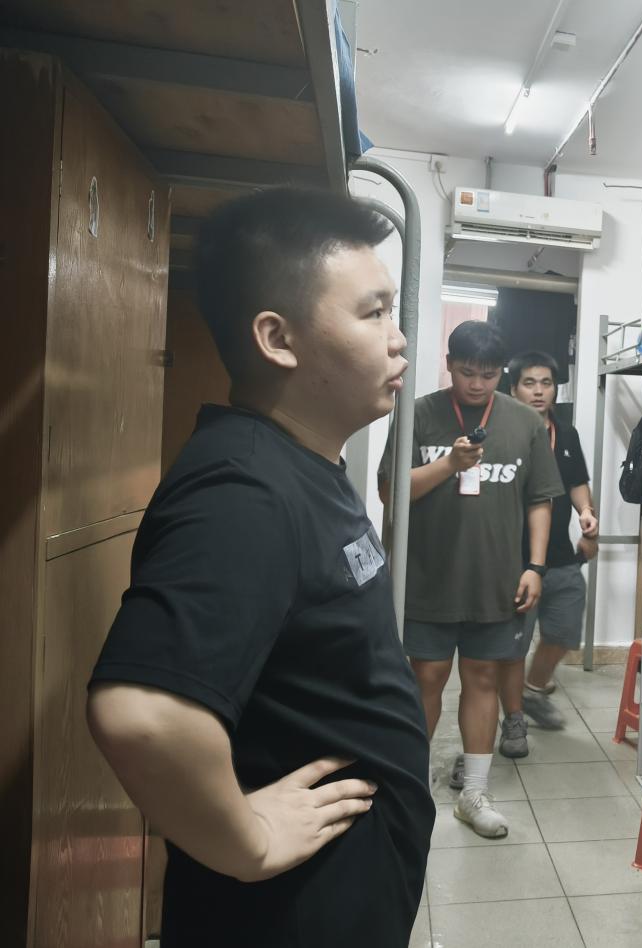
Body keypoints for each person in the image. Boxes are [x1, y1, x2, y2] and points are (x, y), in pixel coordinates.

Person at [86, 188, 434, 948]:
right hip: (289, 914)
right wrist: (248, 840)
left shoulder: (299, 462)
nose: (399, 338)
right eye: (373, 313)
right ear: (278, 339)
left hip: (343, 891)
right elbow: (143, 713)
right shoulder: (244, 491)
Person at [380, 320, 561, 838]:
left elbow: (540, 499)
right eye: (466, 373)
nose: (477, 384)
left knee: (483, 679)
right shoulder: (418, 413)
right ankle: (413, 787)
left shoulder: (524, 421)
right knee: (427, 679)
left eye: (488, 374)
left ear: (500, 372)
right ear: (449, 365)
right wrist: (451, 464)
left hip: (497, 581)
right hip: (427, 578)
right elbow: (392, 493)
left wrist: (536, 566)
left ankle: (474, 795)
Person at [499, 351, 599, 731]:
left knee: (564, 631)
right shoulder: (501, 432)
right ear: (513, 389)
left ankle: (533, 689)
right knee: (513, 645)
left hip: (560, 556)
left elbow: (577, 483)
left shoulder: (566, 433)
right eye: (529, 383)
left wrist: (587, 515)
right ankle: (513, 717)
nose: (539, 391)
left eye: (546, 383)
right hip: (513, 560)